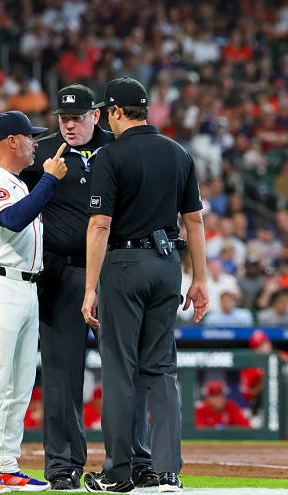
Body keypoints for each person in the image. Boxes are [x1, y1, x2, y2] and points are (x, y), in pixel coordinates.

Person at [22, 84, 156, 491]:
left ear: (97, 115)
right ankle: (63, 466)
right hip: (60, 273)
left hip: (113, 270)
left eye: (77, 118)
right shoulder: (43, 153)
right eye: (63, 119)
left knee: (125, 370)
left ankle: (134, 460)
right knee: (62, 373)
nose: (69, 125)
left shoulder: (118, 149)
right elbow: (8, 198)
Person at [81, 77, 207, 493]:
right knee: (162, 368)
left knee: (119, 368)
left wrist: (89, 287)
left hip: (125, 263)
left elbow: (100, 225)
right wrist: (200, 279)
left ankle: (118, 473)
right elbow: (195, 221)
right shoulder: (178, 153)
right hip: (169, 263)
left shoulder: (109, 156)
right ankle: (166, 470)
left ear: (116, 112)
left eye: (107, 111)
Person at [0, 110, 66, 494]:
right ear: (11, 141)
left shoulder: (18, 182)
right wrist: (50, 181)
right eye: (30, 137)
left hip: (27, 288)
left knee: (20, 385)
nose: (35, 143)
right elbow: (12, 220)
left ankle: (6, 464)